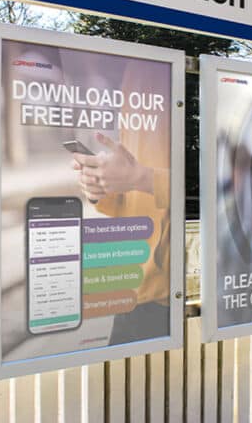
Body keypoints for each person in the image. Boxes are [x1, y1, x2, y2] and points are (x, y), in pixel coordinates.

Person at [71, 61, 172, 345]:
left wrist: (141, 177)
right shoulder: (136, 73)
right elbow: (134, 200)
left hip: (164, 295)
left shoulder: (165, 71)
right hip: (136, 289)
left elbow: (203, 184)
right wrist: (102, 188)